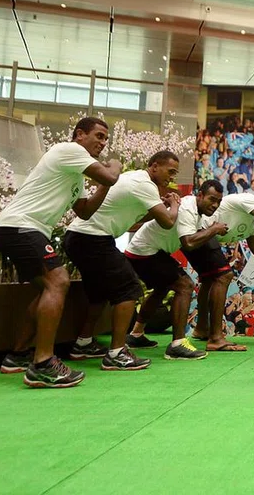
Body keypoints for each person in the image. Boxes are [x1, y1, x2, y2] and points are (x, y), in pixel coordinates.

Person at [0, 118, 122, 388]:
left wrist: (106, 183)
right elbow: (110, 174)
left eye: (105, 139)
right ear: (79, 135)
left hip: (24, 230)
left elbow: (85, 211)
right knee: (59, 280)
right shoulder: (70, 150)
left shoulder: (75, 173)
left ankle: (16, 356)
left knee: (47, 288)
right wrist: (115, 166)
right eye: (98, 136)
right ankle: (42, 364)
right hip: (21, 226)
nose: (102, 143)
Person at [62, 150, 182, 371]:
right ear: (154, 166)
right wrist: (174, 204)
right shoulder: (144, 184)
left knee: (99, 293)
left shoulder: (136, 179)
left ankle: (83, 343)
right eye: (170, 171)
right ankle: (117, 353)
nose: (172, 177)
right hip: (92, 238)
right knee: (129, 288)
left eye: (175, 173)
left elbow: (135, 219)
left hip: (78, 237)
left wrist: (162, 206)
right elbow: (167, 222)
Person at [123, 179, 230, 360]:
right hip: (144, 252)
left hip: (147, 251)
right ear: (200, 195)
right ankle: (177, 345)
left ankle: (135, 335)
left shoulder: (197, 211)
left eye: (218, 201)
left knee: (162, 288)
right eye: (212, 199)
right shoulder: (188, 208)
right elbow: (188, 243)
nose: (215, 205)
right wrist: (214, 229)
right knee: (185, 285)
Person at [188, 188, 254, 352]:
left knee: (210, 279)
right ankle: (216, 338)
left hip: (203, 238)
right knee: (225, 275)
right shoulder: (248, 199)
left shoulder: (253, 226)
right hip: (195, 231)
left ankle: (201, 329)